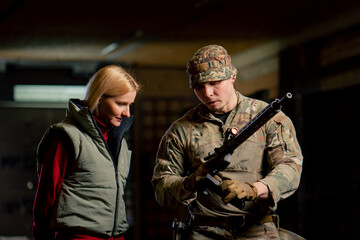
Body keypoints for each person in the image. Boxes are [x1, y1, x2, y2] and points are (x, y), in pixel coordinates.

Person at [152, 45, 303, 240]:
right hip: (204, 231)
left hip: (256, 230)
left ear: (232, 77)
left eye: (215, 82)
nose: (207, 93)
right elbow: (162, 187)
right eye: (198, 87)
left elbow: (290, 168)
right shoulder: (182, 130)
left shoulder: (268, 119)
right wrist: (193, 181)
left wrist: (255, 189)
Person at [32, 65, 141, 240]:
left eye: (130, 105)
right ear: (98, 98)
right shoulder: (66, 136)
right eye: (121, 103)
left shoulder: (119, 142)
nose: (127, 113)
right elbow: (45, 197)